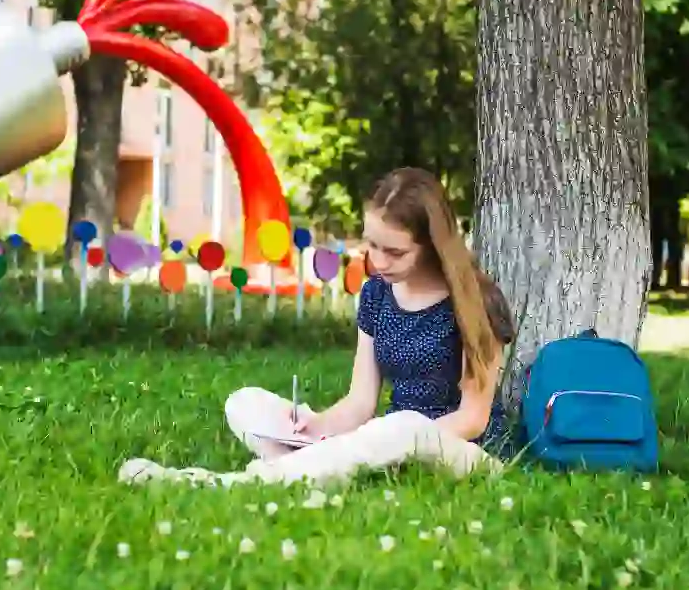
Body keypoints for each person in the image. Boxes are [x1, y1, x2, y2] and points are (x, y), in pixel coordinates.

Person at [118, 167, 516, 488]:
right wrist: (321, 425)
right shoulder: (376, 294)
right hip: (384, 440)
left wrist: (394, 442)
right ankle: (321, 467)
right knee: (245, 403)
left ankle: (239, 482)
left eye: (395, 252)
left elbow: (473, 418)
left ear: (431, 245)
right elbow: (360, 402)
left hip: (464, 451)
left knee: (404, 427)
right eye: (372, 246)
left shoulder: (474, 300)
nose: (378, 261)